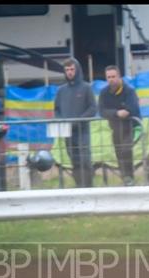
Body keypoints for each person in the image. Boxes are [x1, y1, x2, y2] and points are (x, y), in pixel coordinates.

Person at [54, 58, 97, 188]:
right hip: (67, 131)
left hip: (82, 130)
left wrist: (79, 120)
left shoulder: (86, 88)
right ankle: (79, 187)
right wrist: (61, 121)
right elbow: (57, 110)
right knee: (74, 160)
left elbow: (93, 108)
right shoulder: (61, 90)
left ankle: (88, 187)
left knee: (85, 159)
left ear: (77, 70)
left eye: (72, 69)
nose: (70, 72)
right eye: (67, 70)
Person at [98, 65, 141, 186]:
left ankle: (129, 178)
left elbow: (131, 109)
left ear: (119, 76)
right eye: (108, 77)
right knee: (119, 153)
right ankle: (125, 178)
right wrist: (116, 113)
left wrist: (114, 113)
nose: (111, 79)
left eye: (113, 76)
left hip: (132, 127)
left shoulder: (129, 91)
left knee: (126, 149)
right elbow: (101, 111)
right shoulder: (104, 93)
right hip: (116, 128)